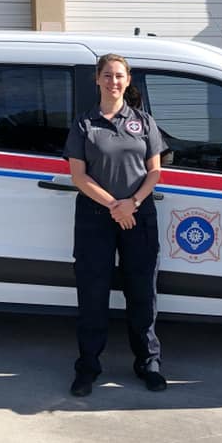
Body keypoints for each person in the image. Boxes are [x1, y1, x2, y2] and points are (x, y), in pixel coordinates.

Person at [63, 53, 166, 397]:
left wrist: (132, 203)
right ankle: (88, 367)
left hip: (139, 214)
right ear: (97, 79)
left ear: (128, 80)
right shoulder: (84, 124)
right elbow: (78, 175)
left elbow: (154, 171)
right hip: (97, 217)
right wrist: (113, 206)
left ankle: (148, 363)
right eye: (107, 75)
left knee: (142, 292)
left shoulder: (143, 121)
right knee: (92, 293)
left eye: (119, 75)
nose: (113, 81)